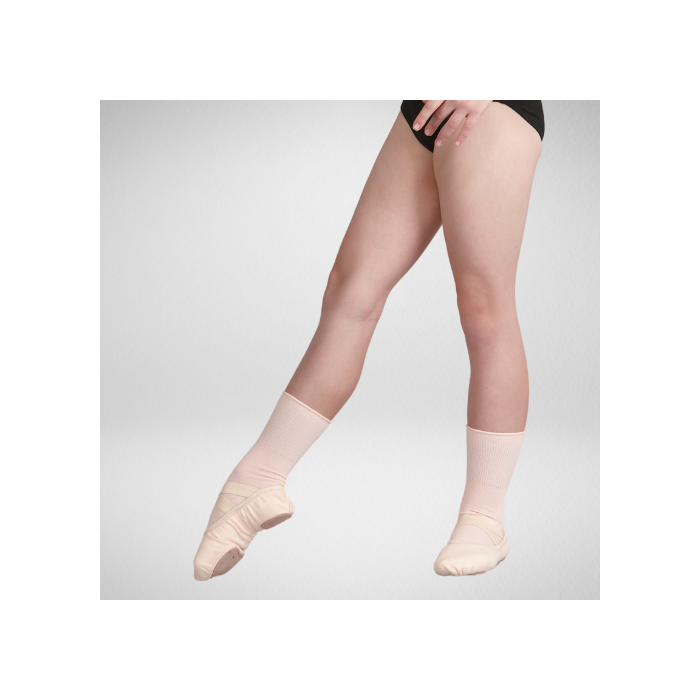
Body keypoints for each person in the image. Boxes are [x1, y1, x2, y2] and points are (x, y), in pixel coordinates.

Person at [194, 100, 545, 580]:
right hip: (423, 109)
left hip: (491, 109)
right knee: (348, 293)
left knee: (484, 309)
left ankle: (485, 518)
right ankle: (254, 480)